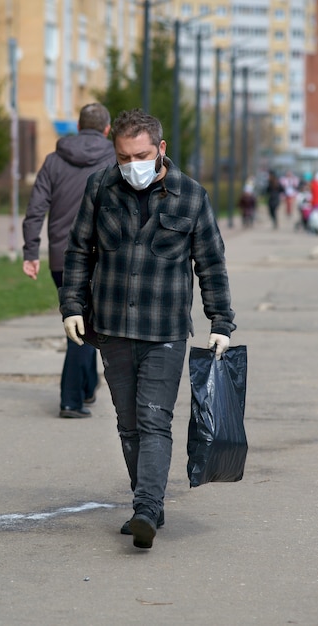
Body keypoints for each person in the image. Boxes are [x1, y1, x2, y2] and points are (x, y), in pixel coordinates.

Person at [59, 109, 236, 549]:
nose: (132, 165)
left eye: (140, 154)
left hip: (165, 329)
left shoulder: (191, 196)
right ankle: (150, 505)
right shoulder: (100, 187)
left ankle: (145, 508)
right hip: (113, 327)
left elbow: (211, 262)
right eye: (123, 156)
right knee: (127, 424)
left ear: (160, 149)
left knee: (154, 419)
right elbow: (79, 250)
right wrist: (72, 305)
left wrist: (221, 321)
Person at [22, 103, 115, 418]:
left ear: (78, 127)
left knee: (83, 320)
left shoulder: (52, 161)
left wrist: (31, 252)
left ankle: (87, 388)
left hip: (61, 259)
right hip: (100, 256)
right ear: (107, 129)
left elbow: (36, 209)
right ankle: (71, 399)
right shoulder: (115, 159)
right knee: (84, 323)